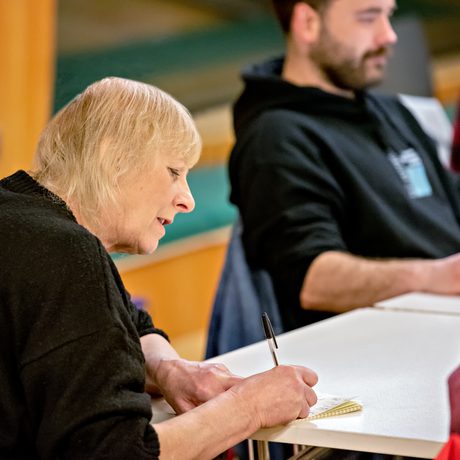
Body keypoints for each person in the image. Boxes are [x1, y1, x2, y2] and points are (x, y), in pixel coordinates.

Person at [0, 77, 319, 459]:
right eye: (173, 172)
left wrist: (170, 368)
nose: (188, 201)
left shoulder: (22, 223)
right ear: (112, 155)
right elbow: (119, 452)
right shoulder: (64, 250)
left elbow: (127, 327)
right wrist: (249, 407)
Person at [228, 0, 460, 332]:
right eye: (368, 17)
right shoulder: (275, 137)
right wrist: (437, 276)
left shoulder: (389, 108)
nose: (389, 36)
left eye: (388, 15)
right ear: (308, 23)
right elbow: (312, 278)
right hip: (385, 348)